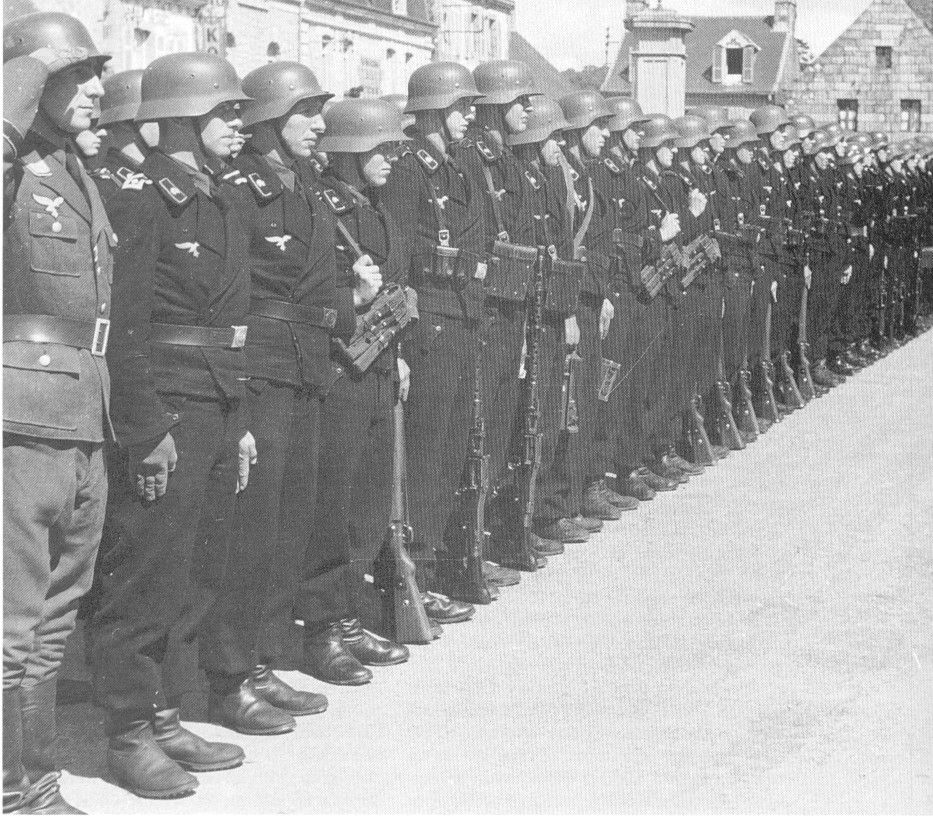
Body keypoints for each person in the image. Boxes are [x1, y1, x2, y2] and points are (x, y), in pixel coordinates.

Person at [89, 52, 255, 800]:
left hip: (216, 397)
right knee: (144, 573)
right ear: (183, 117)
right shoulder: (140, 196)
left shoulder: (216, 195)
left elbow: (231, 319)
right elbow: (123, 326)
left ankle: (162, 710)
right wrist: (145, 425)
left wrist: (240, 417)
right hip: (167, 403)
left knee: (191, 568)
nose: (238, 125)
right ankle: (125, 729)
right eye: (224, 112)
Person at [199, 60, 341, 722]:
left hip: (305, 361)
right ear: (270, 120)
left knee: (289, 522)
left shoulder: (304, 183)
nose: (318, 123)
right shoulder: (240, 186)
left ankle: (263, 655)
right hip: (260, 362)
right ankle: (228, 674)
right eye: (304, 111)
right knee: (251, 529)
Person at [3, 11, 111, 815]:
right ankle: (18, 783)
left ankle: (31, 778)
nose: (96, 89)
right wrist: (22, 74)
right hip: (23, 413)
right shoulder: (16, 165)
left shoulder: (70, 165)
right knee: (13, 616)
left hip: (83, 410)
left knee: (54, 613)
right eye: (76, 75)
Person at [298, 96, 415, 682]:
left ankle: (348, 616)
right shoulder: (325, 206)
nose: (392, 157)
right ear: (350, 150)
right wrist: (357, 297)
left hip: (375, 365)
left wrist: (396, 356)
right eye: (381, 147)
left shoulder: (377, 208)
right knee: (333, 507)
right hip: (339, 371)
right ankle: (321, 628)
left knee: (368, 503)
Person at [379, 62, 488, 622]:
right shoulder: (409, 172)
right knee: (423, 454)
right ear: (433, 111)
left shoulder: (457, 168)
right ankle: (410, 573)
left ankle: (436, 564)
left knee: (448, 450)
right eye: (461, 107)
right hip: (429, 324)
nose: (470, 116)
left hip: (463, 316)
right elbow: (397, 256)